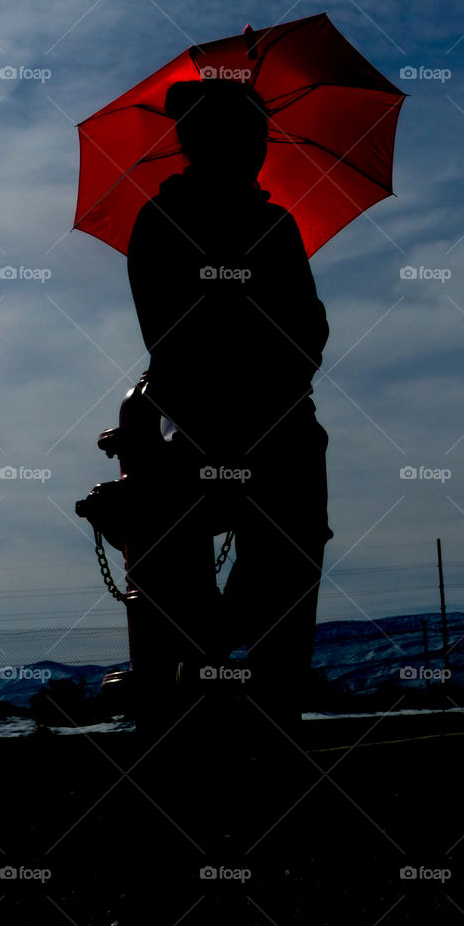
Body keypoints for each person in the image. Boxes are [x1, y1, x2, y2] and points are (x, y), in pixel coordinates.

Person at [125, 78, 332, 737]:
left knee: (290, 549)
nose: (260, 150)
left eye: (259, 138)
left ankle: (231, 658)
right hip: (208, 423)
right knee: (288, 546)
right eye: (252, 137)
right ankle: (231, 666)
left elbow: (304, 333)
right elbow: (300, 332)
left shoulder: (260, 223)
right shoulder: (193, 223)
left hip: (242, 419)